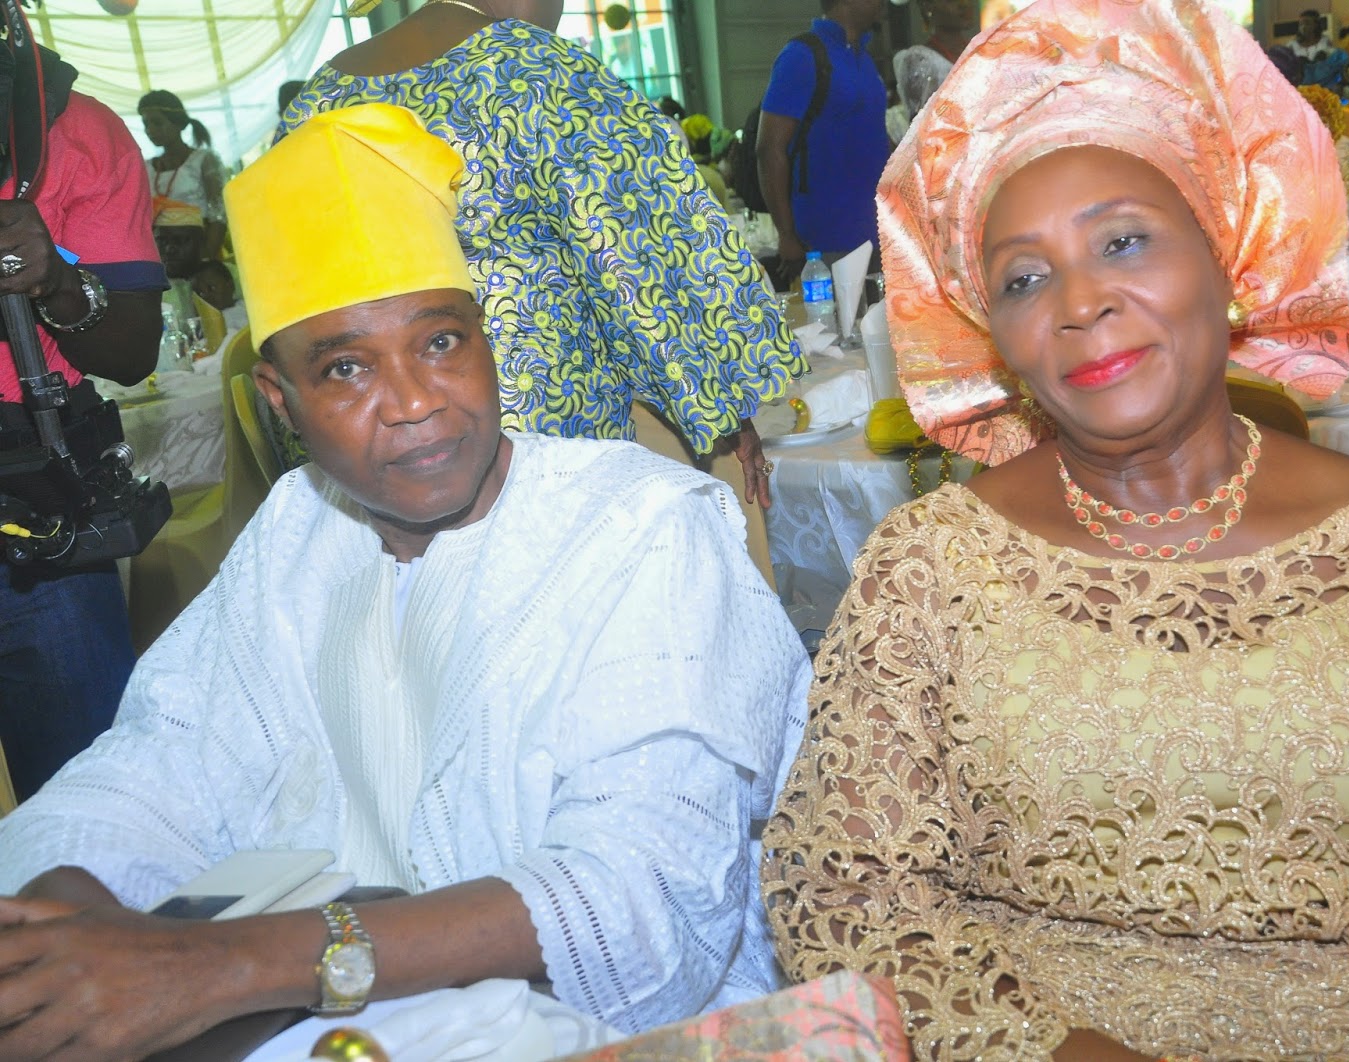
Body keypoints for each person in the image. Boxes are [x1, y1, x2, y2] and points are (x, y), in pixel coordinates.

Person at [762, 1, 1349, 1058]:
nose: (1080, 302)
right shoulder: (930, 568)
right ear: (994, 333)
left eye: (1123, 240)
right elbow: (845, 891)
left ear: (1227, 252)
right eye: (1024, 278)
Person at [0, 103, 810, 1059]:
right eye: (346, 368)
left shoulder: (645, 528)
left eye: (440, 343)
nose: (417, 402)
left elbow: (640, 902)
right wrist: (66, 903)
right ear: (280, 401)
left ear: (486, 339)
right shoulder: (298, 531)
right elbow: (156, 764)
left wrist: (225, 966)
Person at [284, 0, 801, 515]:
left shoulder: (318, 100)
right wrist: (721, 404)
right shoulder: (539, 70)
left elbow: (295, 293)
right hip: (544, 418)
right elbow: (641, 263)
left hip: (377, 436)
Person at [0, 66, 165, 803]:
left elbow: (131, 353)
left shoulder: (71, 129)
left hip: (34, 515)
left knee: (91, 807)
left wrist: (56, 282)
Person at [757, 0, 892, 286]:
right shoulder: (801, 57)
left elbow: (873, 136)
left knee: (877, 316)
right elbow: (769, 149)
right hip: (826, 242)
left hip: (878, 233)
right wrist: (786, 234)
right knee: (839, 316)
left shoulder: (864, 58)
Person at [138, 89, 227, 261]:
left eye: (157, 123)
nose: (150, 130)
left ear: (177, 123)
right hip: (162, 254)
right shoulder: (146, 167)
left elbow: (219, 214)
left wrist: (206, 258)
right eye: (146, 124)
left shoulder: (204, 160)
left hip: (198, 249)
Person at [893, 0, 979, 121]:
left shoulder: (981, 49)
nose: (964, 4)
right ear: (928, 6)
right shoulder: (921, 61)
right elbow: (920, 125)